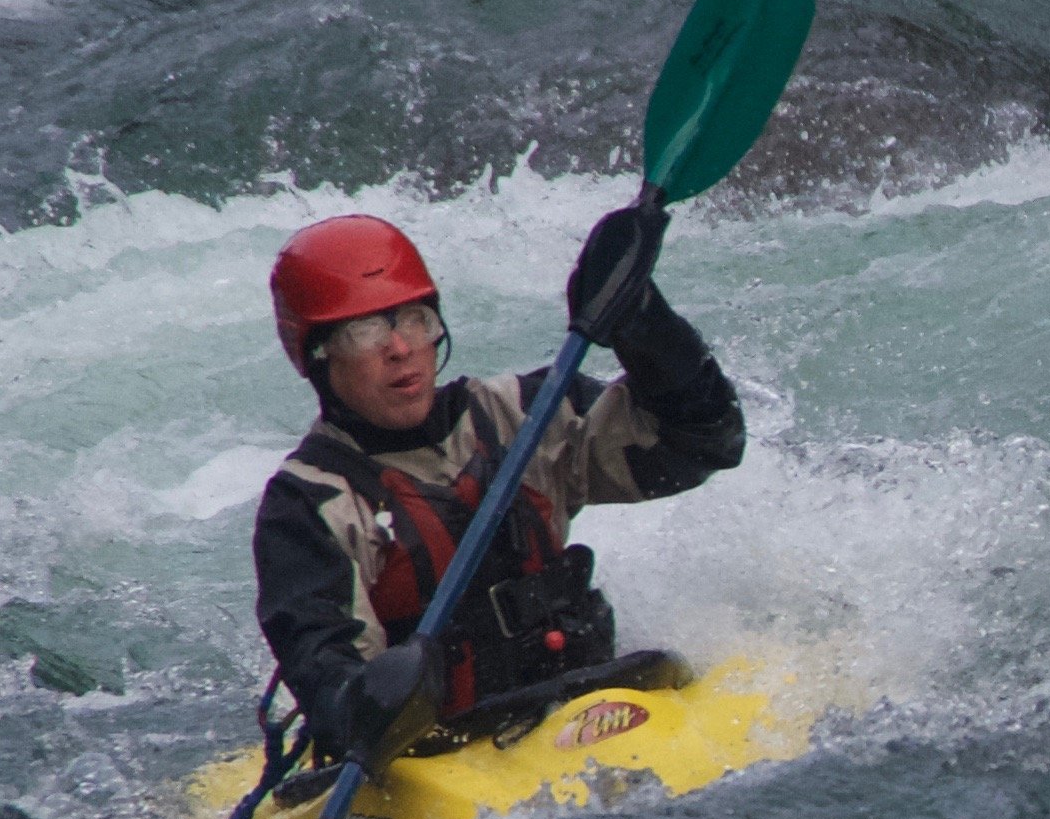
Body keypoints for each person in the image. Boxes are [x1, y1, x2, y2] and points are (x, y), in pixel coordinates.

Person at [251, 200, 745, 767]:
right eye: (366, 331)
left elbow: (707, 442)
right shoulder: (309, 504)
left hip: (582, 713)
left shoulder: (526, 415)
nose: (401, 347)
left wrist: (645, 324)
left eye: (414, 318)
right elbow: (325, 670)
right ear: (317, 356)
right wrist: (364, 702)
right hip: (442, 758)